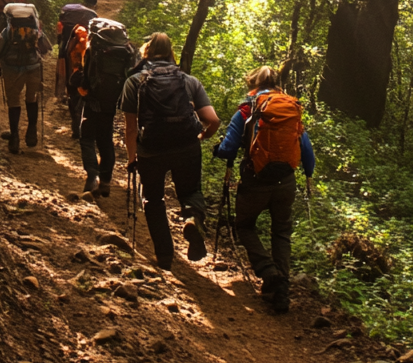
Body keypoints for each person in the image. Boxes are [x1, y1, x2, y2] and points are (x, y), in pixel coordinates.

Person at [211, 66, 316, 314]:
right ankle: (281, 292)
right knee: (281, 233)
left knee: (245, 226)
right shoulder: (291, 110)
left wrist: (217, 150)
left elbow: (228, 149)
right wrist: (308, 177)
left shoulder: (248, 109)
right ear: (277, 84)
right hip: (286, 181)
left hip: (256, 180)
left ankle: (268, 272)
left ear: (252, 84)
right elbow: (307, 150)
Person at [121, 33, 221, 269]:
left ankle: (165, 255)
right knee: (190, 192)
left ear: (146, 52)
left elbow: (131, 128)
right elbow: (213, 120)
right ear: (171, 52)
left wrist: (132, 157)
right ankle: (191, 218)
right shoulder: (189, 81)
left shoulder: (134, 82)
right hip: (187, 147)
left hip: (151, 150)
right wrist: (201, 136)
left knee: (153, 199)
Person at [75, 17, 134, 197]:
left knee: (86, 138)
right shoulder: (127, 50)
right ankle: (106, 182)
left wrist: (81, 87)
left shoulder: (94, 49)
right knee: (105, 139)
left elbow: (87, 75)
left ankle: (92, 175)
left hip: (93, 99)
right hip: (113, 101)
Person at [0, 1, 51, 154]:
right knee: (32, 98)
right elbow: (47, 48)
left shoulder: (7, 32)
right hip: (33, 68)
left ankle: (14, 137)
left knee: (14, 101)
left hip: (11, 69)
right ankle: (31, 132)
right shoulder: (36, 30)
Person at [57, 0, 100, 139]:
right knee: (85, 89)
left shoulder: (70, 13)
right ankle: (83, 124)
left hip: (69, 56)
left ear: (84, 2)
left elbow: (60, 34)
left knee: (71, 89)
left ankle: (75, 124)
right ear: (94, 5)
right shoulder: (92, 15)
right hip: (87, 58)